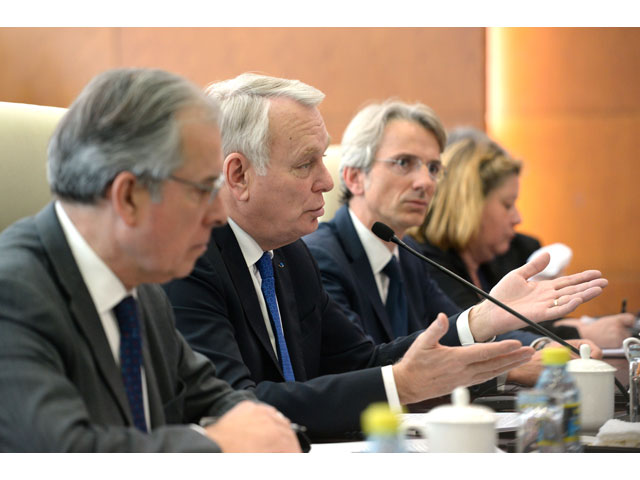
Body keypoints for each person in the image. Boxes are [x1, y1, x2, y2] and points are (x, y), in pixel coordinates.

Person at [163, 73, 604, 439]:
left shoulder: (288, 255)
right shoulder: (188, 260)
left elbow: (361, 362)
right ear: (237, 175)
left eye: (322, 160)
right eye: (305, 164)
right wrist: (399, 384)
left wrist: (482, 320)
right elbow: (236, 406)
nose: (324, 180)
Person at [0, 68, 301, 452]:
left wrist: (258, 426)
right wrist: (215, 446)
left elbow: (213, 397)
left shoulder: (142, 290)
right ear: (128, 197)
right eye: (202, 190)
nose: (218, 215)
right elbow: (63, 451)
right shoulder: (12, 292)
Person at [302, 100, 600, 389]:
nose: (425, 182)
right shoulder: (319, 258)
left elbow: (456, 330)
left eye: (432, 168)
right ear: (355, 177)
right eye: (404, 163)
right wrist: (513, 366)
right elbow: (364, 367)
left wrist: (541, 346)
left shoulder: (409, 255)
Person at [409, 128, 634, 349]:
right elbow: (477, 333)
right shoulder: (423, 262)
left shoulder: (506, 254)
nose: (518, 217)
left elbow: (532, 323)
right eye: (508, 204)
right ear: (469, 207)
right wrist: (579, 332)